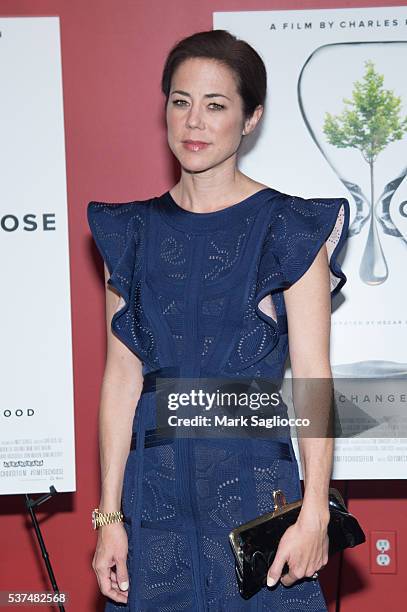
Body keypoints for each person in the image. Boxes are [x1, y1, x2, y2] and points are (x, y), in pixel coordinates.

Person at [87, 29, 350, 611]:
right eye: (180, 102)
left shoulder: (290, 228)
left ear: (251, 118)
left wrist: (313, 515)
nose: (194, 123)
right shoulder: (130, 234)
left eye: (216, 105)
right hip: (152, 507)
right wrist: (109, 516)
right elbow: (120, 382)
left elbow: (313, 378)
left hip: (257, 500)